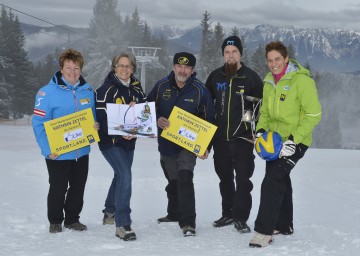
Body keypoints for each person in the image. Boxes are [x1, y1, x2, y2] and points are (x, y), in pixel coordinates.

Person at [249, 41, 322, 247]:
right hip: (273, 143)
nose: (274, 64)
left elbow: (313, 114)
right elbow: (264, 113)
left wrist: (293, 140)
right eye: (270, 60)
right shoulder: (268, 83)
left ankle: (264, 232)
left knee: (272, 180)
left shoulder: (302, 81)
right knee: (281, 179)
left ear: (286, 58)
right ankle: (284, 225)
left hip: (296, 140)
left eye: (277, 59)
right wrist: (261, 131)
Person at [147, 52, 215, 236]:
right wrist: (157, 120)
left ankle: (188, 223)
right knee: (173, 181)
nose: (183, 70)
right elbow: (147, 109)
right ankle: (173, 213)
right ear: (174, 66)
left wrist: (206, 146)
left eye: (187, 68)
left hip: (188, 146)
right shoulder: (161, 86)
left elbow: (209, 119)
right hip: (167, 145)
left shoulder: (200, 90)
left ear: (192, 70)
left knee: (185, 180)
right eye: (180, 66)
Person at [32, 48, 98, 233]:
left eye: (76, 68)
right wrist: (47, 149)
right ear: (61, 69)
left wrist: (95, 127)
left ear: (81, 69)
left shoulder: (88, 91)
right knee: (58, 188)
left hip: (81, 150)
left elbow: (92, 118)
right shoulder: (46, 93)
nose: (72, 72)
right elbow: (38, 123)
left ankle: (72, 219)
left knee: (78, 187)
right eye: (68, 67)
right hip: (58, 152)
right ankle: (55, 221)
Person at [205, 36, 263, 233]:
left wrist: (253, 130)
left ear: (240, 54)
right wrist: (205, 140)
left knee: (244, 180)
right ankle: (227, 213)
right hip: (220, 139)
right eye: (227, 52)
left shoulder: (251, 77)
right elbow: (206, 108)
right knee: (225, 179)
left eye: (234, 52)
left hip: (242, 139)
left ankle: (240, 217)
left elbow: (259, 108)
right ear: (223, 54)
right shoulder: (215, 77)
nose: (230, 56)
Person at [95, 52, 146, 241]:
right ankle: (123, 224)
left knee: (120, 175)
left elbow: (144, 110)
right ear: (114, 67)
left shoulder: (137, 87)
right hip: (110, 142)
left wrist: (137, 107)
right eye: (121, 65)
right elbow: (100, 117)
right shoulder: (106, 89)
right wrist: (120, 127)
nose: (125, 69)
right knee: (125, 175)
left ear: (133, 68)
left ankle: (109, 212)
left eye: (128, 66)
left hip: (129, 141)